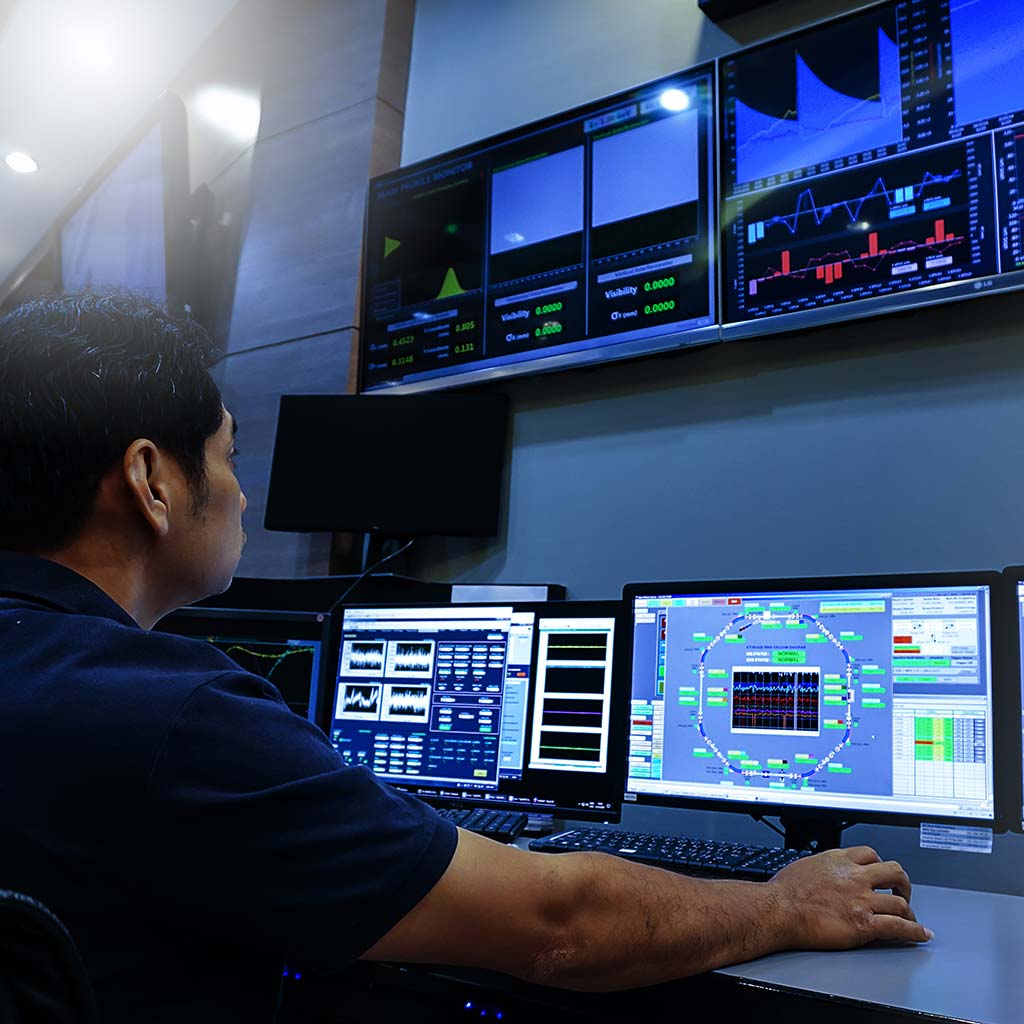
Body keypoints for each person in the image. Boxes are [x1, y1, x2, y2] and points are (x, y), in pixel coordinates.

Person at [0, 292, 931, 1023]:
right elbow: (558, 927)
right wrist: (782, 904)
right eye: (231, 457)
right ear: (153, 482)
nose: (244, 498)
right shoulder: (176, 717)